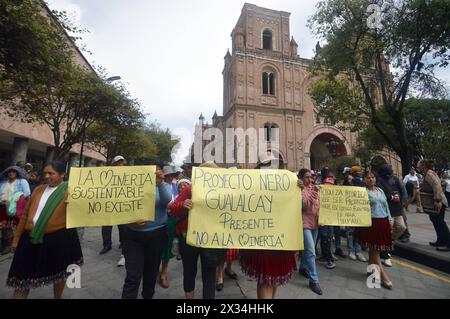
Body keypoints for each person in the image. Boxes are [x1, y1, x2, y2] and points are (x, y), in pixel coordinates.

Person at [7, 161, 83, 298]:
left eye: (51, 173)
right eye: (45, 173)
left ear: (62, 174)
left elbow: (81, 214)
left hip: (58, 240)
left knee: (60, 272)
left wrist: (75, 204)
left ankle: (57, 297)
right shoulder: (38, 190)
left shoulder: (70, 191)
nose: (46, 176)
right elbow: (24, 216)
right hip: (30, 237)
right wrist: (16, 239)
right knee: (21, 278)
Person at [238, 158, 297, 299]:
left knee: (274, 279)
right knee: (265, 281)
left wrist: (299, 187)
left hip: (280, 241)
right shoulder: (251, 189)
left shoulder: (288, 188)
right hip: (261, 242)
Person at [169, 161, 225, 299]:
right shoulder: (189, 188)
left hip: (210, 239)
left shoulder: (223, 191)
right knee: (189, 271)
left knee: (209, 273)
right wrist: (183, 204)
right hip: (189, 238)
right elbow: (173, 208)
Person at [121, 162, 172, 299]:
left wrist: (160, 183)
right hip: (132, 236)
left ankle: (147, 295)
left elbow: (166, 202)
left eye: (157, 170)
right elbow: (120, 208)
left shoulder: (164, 186)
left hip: (156, 236)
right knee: (133, 275)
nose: (154, 173)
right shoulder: (130, 186)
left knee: (151, 273)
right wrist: (131, 219)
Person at [355, 171, 394, 290]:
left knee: (374, 249)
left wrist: (390, 219)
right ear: (364, 180)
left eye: (372, 177)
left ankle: (371, 271)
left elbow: (386, 205)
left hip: (383, 221)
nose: (371, 179)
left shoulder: (380, 190)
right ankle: (384, 276)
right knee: (375, 250)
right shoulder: (362, 192)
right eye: (368, 178)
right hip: (371, 222)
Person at [376, 164, 408, 267]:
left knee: (401, 227)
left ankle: (386, 243)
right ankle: (385, 255)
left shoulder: (396, 179)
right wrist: (391, 198)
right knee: (387, 231)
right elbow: (381, 193)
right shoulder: (379, 181)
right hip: (387, 210)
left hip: (397, 209)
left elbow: (402, 190)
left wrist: (403, 201)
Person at [297, 168, 322, 295]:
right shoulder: (299, 190)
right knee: (311, 251)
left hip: (315, 224)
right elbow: (304, 206)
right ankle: (314, 280)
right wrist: (314, 193)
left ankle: (302, 267)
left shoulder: (314, 188)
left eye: (311, 177)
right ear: (301, 178)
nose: (310, 180)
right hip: (305, 224)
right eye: (307, 177)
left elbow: (319, 205)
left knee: (309, 249)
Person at [99, 155, 126, 267]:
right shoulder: (107, 174)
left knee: (123, 227)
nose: (120, 164)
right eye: (118, 162)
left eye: (122, 163)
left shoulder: (127, 175)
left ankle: (122, 243)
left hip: (121, 205)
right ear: (114, 164)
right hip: (108, 204)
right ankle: (107, 245)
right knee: (106, 225)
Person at [418, 160, 449, 251]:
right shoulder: (427, 173)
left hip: (438, 202)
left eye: (419, 164)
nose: (418, 165)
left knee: (440, 222)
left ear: (423, 165)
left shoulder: (429, 174)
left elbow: (437, 186)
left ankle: (448, 243)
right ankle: (440, 240)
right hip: (434, 202)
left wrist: (438, 200)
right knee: (435, 220)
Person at [0, 166, 31, 255]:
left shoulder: (22, 181)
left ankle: (13, 245)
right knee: (4, 226)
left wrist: (13, 198)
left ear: (17, 173)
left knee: (14, 226)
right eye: (9, 172)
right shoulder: (3, 182)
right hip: (2, 206)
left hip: (15, 207)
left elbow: (27, 193)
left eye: (13, 172)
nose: (11, 173)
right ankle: (6, 245)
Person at [158, 165, 180, 289]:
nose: (170, 177)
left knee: (168, 248)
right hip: (159, 221)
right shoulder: (157, 186)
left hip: (171, 220)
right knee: (158, 247)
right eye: (168, 175)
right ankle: (155, 270)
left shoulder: (175, 187)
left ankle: (164, 272)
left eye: (172, 175)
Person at [317, 167, 337, 269]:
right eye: (330, 176)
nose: (332, 178)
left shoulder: (322, 186)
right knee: (326, 237)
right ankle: (328, 258)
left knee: (327, 237)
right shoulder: (323, 186)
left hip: (329, 217)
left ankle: (327, 256)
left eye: (332, 176)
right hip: (324, 217)